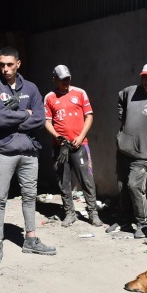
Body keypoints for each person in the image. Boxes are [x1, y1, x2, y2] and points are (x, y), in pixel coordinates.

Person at [0, 46, 56, 266]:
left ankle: (31, 239)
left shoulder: (31, 88)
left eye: (9, 64)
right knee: (0, 198)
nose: (5, 69)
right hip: (3, 151)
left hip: (28, 152)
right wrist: (25, 114)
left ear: (18, 64)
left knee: (29, 196)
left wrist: (14, 118)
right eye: (1, 64)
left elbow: (40, 118)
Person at [106, 62, 147, 239]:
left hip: (142, 154)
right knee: (122, 186)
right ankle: (124, 220)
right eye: (144, 78)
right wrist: (122, 118)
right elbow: (120, 99)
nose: (146, 82)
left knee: (135, 186)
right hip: (123, 150)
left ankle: (143, 224)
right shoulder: (131, 91)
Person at [43, 65, 103, 228]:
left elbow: (89, 116)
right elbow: (47, 121)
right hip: (60, 147)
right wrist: (57, 136)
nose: (66, 82)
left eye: (68, 79)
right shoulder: (49, 97)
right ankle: (69, 213)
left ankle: (93, 213)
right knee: (64, 181)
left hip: (80, 145)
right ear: (54, 79)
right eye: (62, 80)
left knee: (87, 180)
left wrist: (81, 136)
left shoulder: (80, 93)